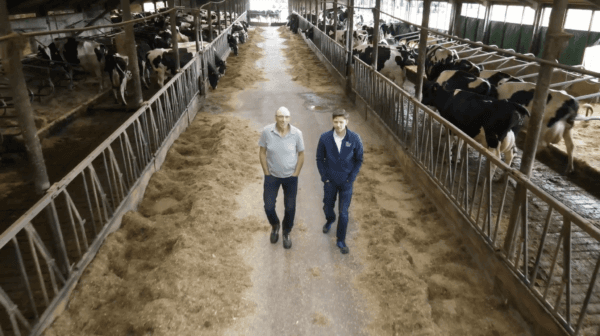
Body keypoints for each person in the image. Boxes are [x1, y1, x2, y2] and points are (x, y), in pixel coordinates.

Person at [316, 110, 363, 254]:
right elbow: (319, 159)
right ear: (332, 121)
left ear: (347, 122)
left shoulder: (354, 138)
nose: (338, 125)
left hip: (346, 183)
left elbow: (359, 159)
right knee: (328, 206)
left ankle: (341, 240)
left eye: (341, 122)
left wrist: (352, 177)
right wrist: (325, 177)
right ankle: (330, 219)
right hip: (330, 181)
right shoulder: (325, 138)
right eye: (336, 121)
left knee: (344, 213)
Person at [259, 106, 305, 249]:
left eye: (286, 117)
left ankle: (286, 232)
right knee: (268, 206)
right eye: (280, 116)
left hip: (290, 177)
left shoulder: (297, 133)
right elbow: (262, 152)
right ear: (275, 117)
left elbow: (301, 154)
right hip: (272, 176)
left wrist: (296, 173)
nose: (283, 120)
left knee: (290, 208)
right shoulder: (267, 131)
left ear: (289, 118)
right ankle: (275, 225)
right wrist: (266, 172)